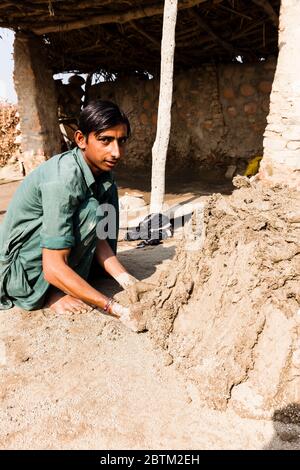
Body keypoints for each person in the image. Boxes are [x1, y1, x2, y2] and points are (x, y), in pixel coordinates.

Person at [0, 100, 145, 332]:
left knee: (102, 202)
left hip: (51, 255)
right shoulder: (63, 179)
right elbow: (52, 266)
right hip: (18, 271)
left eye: (121, 141)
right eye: (105, 140)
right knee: (89, 210)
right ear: (80, 139)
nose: (116, 152)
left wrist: (127, 280)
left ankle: (73, 281)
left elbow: (98, 235)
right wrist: (114, 308)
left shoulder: (102, 174)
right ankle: (50, 294)